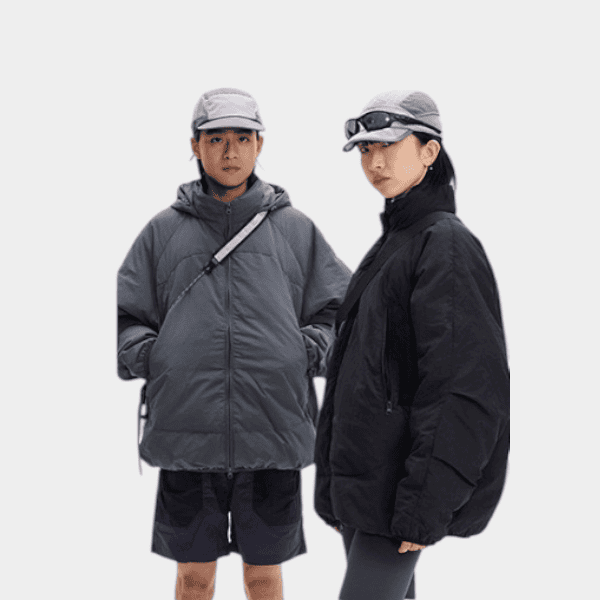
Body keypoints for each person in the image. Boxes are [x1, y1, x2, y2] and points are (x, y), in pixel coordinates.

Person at [117, 87, 351, 600]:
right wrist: (155, 356)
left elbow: (342, 314)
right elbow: (125, 316)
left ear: (260, 144)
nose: (230, 152)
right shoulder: (162, 232)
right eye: (216, 138)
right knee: (193, 578)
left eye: (242, 138)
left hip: (272, 434)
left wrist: (304, 351)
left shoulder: (295, 231)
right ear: (195, 145)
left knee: (264, 577)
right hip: (187, 438)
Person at [314, 90, 510, 600]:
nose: (374, 162)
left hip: (398, 491)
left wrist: (427, 501)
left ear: (429, 151)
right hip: (367, 489)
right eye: (365, 149)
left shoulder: (445, 245)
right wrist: (333, 486)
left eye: (388, 145)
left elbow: (464, 386)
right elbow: (356, 375)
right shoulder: (395, 243)